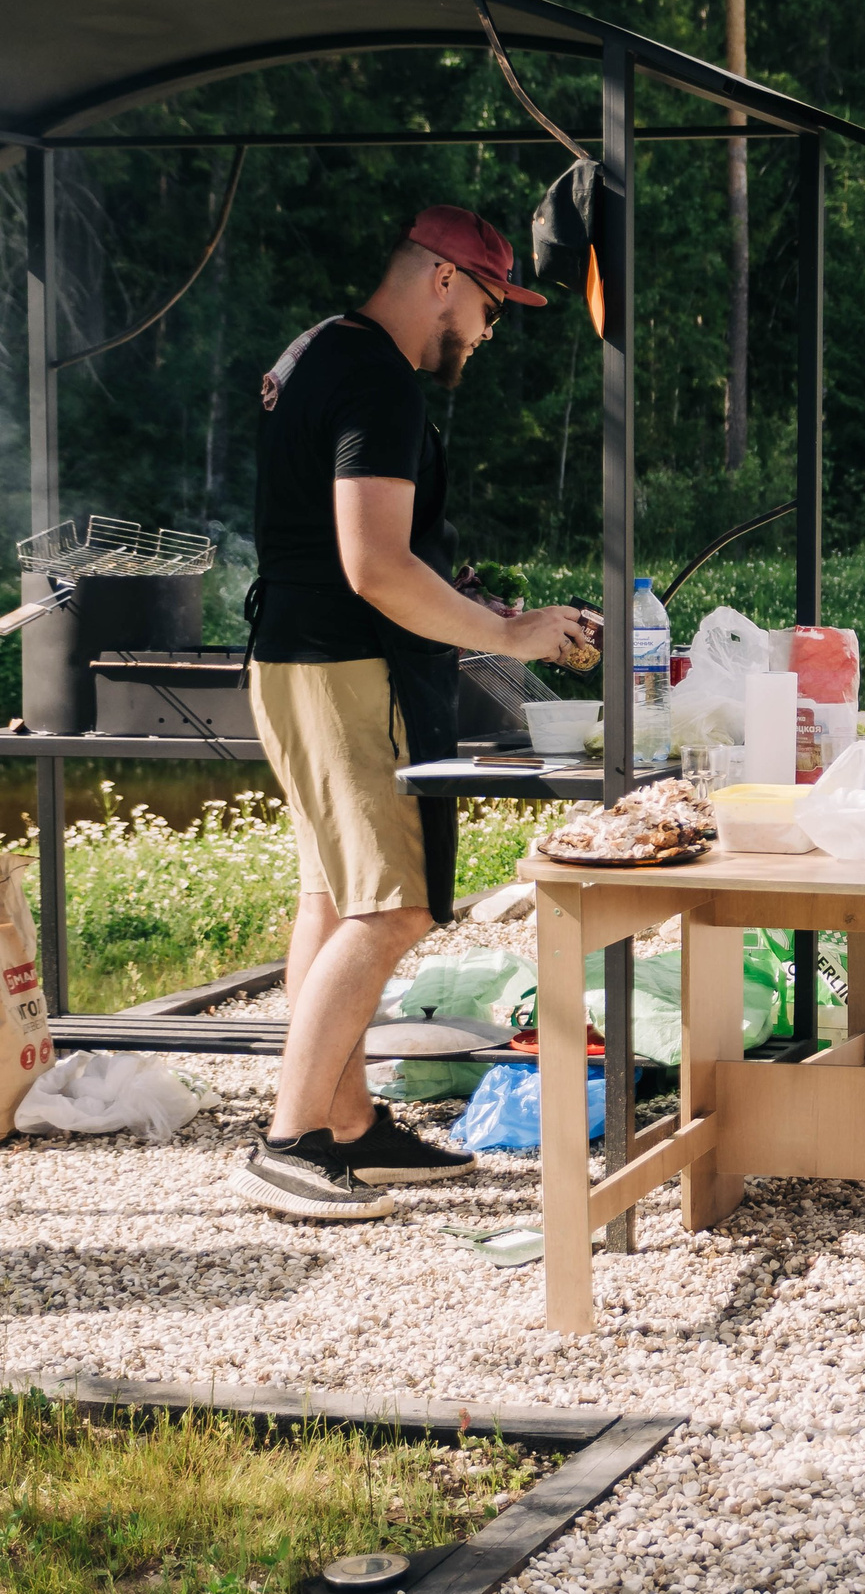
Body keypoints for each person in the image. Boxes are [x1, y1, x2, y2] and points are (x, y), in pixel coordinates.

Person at [231, 208, 586, 1221]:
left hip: (299, 659)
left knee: (333, 902)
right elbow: (375, 564)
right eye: (486, 308)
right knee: (393, 909)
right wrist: (509, 636)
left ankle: (347, 1124)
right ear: (441, 279)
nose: (482, 332)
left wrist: (484, 615)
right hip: (351, 669)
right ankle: (290, 1139)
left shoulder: (314, 353)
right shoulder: (377, 376)